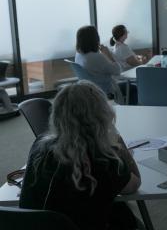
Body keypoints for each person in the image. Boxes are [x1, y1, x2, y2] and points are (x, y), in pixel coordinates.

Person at [19, 81, 141, 230]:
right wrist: (117, 140)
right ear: (102, 116)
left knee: (120, 210)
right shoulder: (104, 159)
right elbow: (134, 184)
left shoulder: (40, 145)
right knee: (131, 221)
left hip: (31, 225)